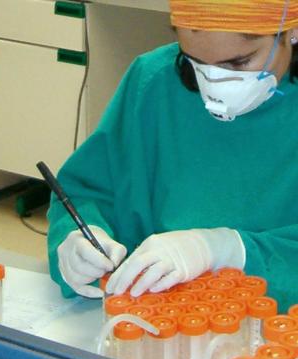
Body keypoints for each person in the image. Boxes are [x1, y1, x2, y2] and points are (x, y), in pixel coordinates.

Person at [47, 0, 298, 312]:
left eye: (239, 63)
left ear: (292, 30)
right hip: (153, 317)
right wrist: (78, 239)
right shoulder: (154, 80)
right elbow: (88, 191)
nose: (214, 84)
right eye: (195, 62)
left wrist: (228, 250)